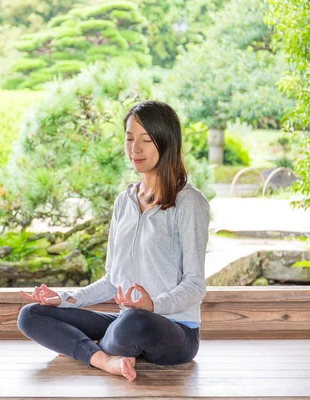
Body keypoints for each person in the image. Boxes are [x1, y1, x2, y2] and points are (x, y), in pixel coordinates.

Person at [17, 100, 210, 382]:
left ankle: (82, 347)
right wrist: (63, 299)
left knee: (134, 322)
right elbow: (112, 280)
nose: (135, 149)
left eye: (146, 140)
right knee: (31, 315)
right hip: (124, 322)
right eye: (129, 138)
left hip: (174, 330)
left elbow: (195, 285)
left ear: (167, 143)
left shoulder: (189, 202)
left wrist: (153, 305)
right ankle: (104, 358)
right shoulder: (125, 201)